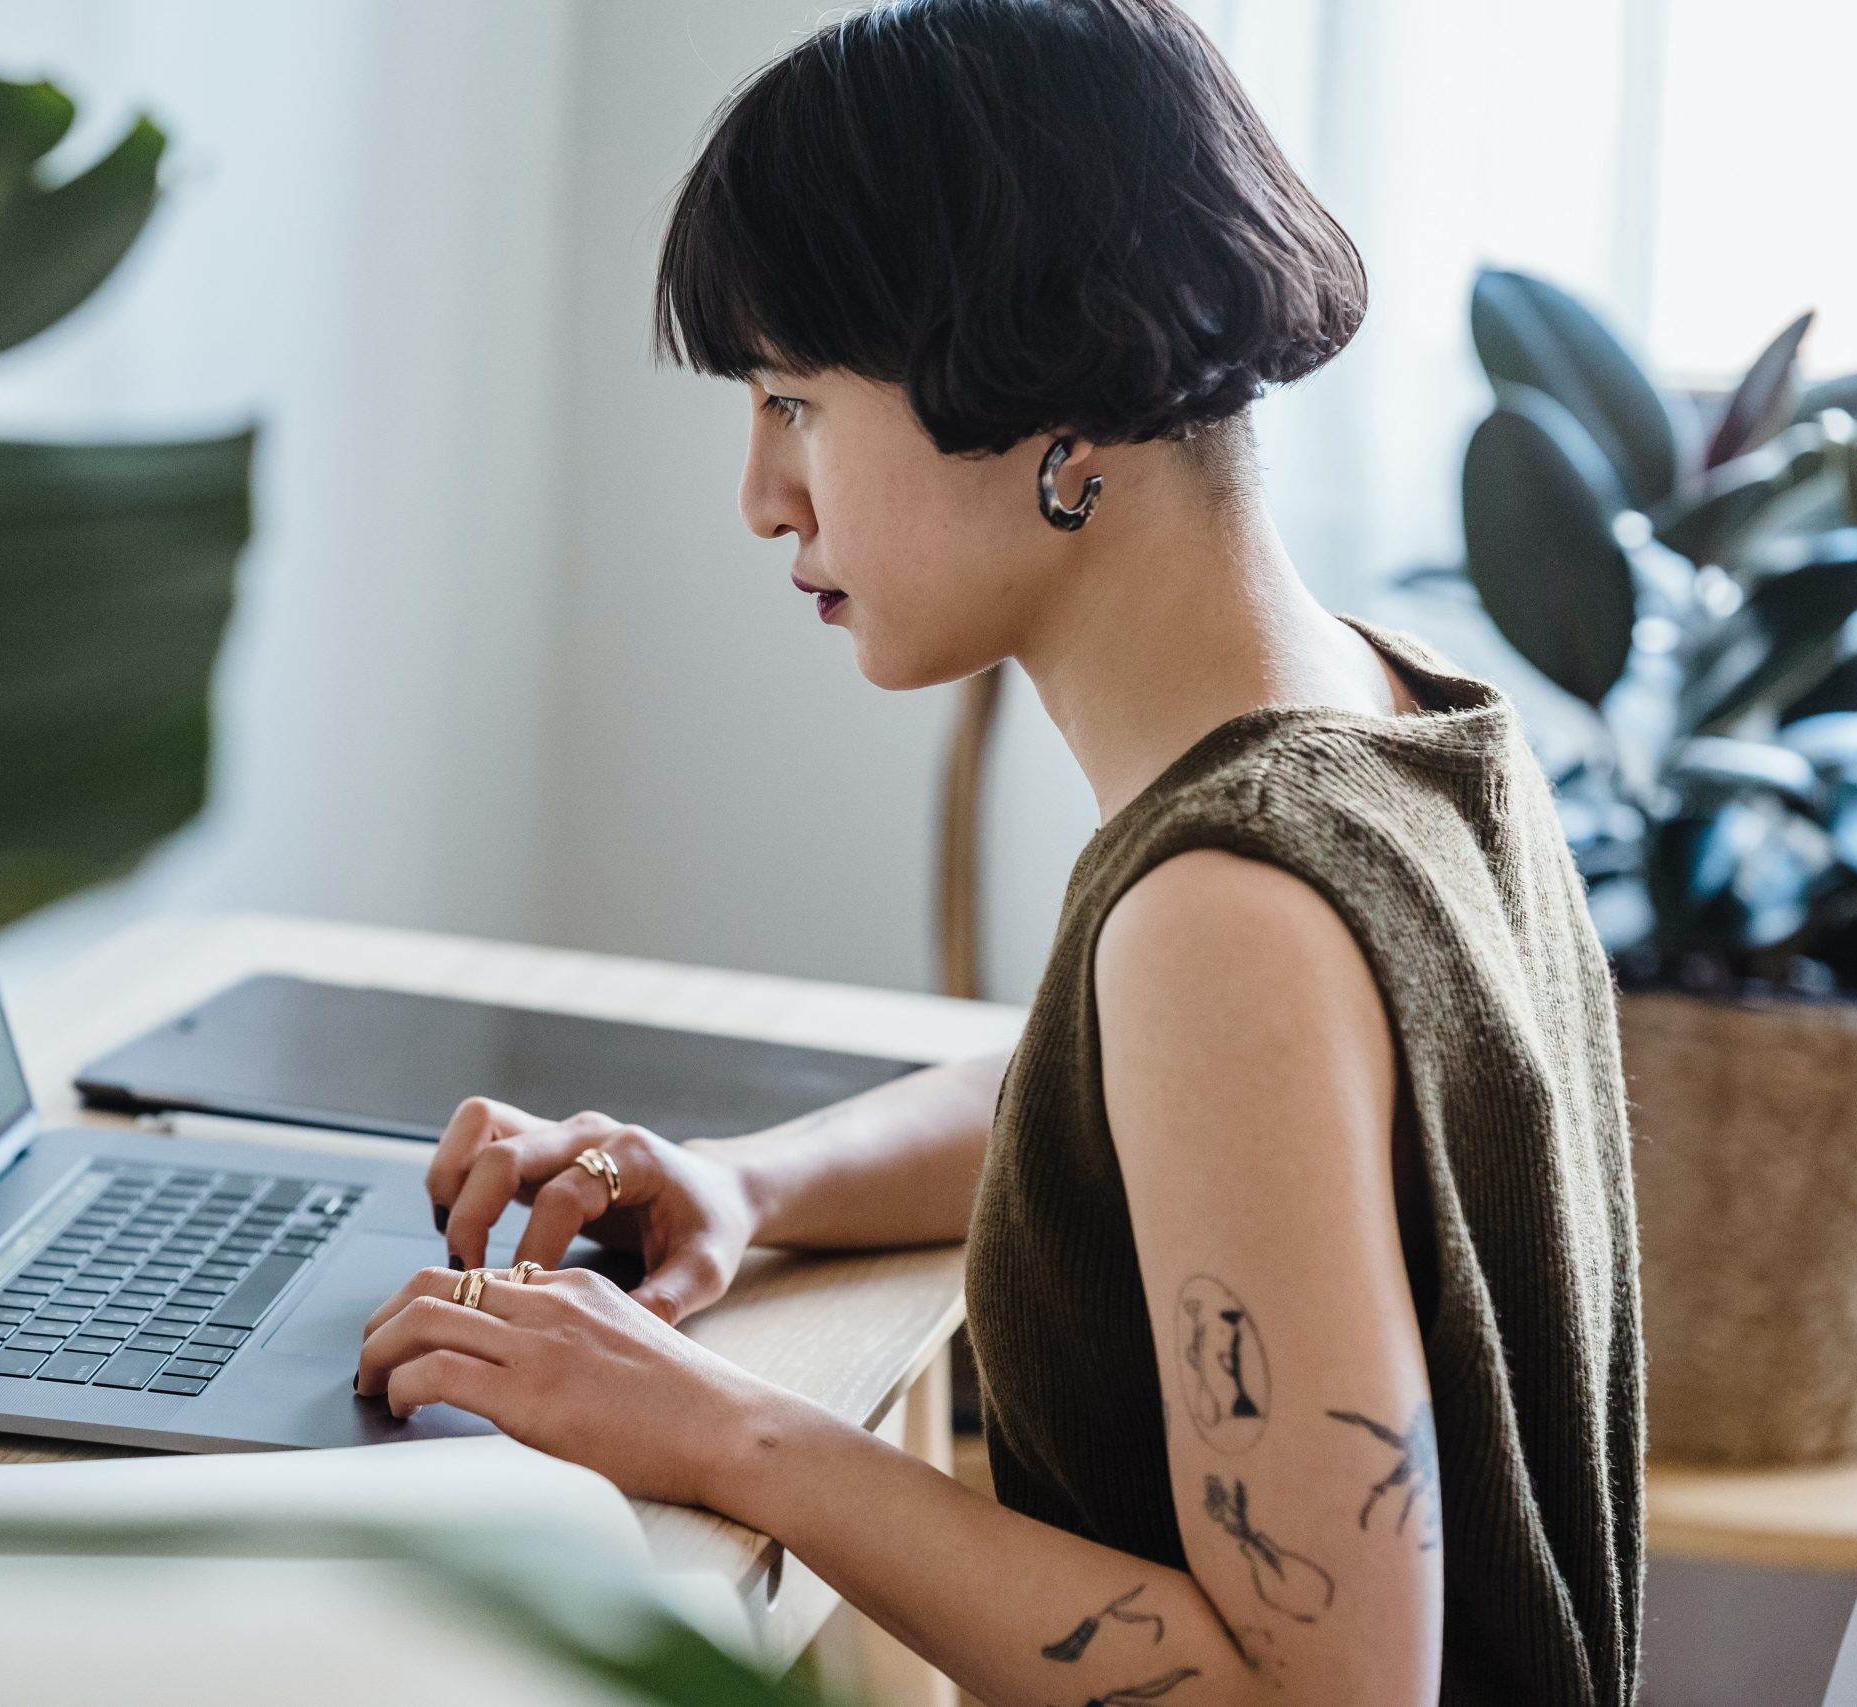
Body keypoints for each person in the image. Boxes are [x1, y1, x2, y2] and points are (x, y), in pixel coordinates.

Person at [354, 4, 1641, 1704]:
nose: (761, 494)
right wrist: (756, 1183)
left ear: (1057, 403)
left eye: (796, 400)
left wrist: (727, 1434)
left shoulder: (1223, 912)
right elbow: (1166, 1124)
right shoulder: (1400, 720)